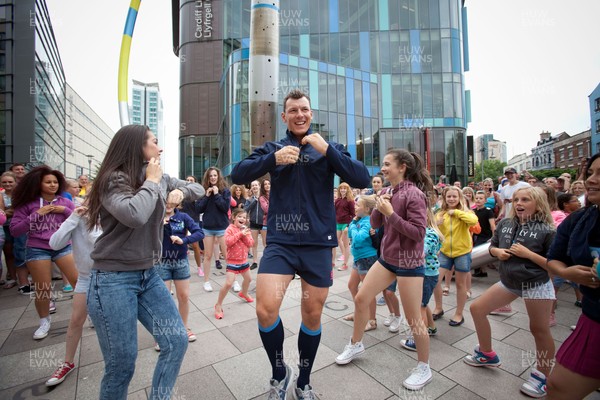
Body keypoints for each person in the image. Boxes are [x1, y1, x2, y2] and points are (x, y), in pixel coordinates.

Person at [231, 89, 370, 399]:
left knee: (312, 314)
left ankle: (304, 381)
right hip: (280, 241)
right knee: (265, 309)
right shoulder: (274, 147)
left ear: (311, 113)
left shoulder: (328, 147)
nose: (299, 115)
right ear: (284, 117)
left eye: (304, 109)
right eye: (292, 110)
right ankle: (280, 372)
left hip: (318, 244)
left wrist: (329, 151)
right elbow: (236, 174)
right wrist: (272, 159)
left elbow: (361, 177)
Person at [85, 125, 204, 400]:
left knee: (176, 341)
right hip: (113, 279)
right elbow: (135, 214)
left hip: (148, 274)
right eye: (154, 142)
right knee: (121, 366)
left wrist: (181, 193)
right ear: (137, 146)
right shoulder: (112, 180)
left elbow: (197, 188)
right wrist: (152, 182)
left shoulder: (160, 177)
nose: (160, 148)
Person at [335, 149, 434, 391]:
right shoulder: (388, 191)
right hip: (387, 259)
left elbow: (418, 233)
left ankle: (424, 367)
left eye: (388, 164)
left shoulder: (415, 194)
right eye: (383, 164)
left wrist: (391, 213)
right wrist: (380, 206)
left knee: (414, 319)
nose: (383, 168)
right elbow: (377, 224)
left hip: (410, 263)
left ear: (402, 168)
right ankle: (356, 343)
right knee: (361, 298)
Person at [465, 187, 556, 398]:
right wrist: (497, 252)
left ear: (539, 203)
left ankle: (542, 376)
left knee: (539, 329)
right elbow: (492, 247)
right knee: (477, 309)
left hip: (536, 284)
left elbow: (554, 266)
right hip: (509, 281)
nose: (519, 203)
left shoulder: (548, 230)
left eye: (525, 199)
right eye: (516, 199)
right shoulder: (505, 223)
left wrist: (528, 254)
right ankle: (486, 354)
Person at [546, 153, 600, 400]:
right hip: (594, 317)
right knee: (558, 385)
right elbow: (553, 257)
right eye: (590, 173)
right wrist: (566, 272)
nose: (592, 180)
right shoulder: (580, 219)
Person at [10, 166, 78, 339]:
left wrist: (65, 211)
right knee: (43, 289)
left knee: (79, 281)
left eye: (55, 182)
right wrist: (36, 214)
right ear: (38, 184)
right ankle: (44, 321)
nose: (52, 185)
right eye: (48, 182)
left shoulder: (65, 202)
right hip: (37, 248)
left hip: (62, 246)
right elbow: (15, 230)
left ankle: (91, 314)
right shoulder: (28, 204)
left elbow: (79, 221)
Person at [45, 202, 102, 386]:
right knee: (76, 320)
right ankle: (67, 362)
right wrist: (73, 217)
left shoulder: (112, 217)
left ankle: (117, 362)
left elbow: (98, 242)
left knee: (110, 320)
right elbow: (54, 243)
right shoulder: (77, 218)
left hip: (111, 276)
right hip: (86, 277)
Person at [154, 191, 204, 349]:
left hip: (181, 262)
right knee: (163, 300)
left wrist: (184, 240)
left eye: (171, 202)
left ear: (177, 203)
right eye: (165, 202)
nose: (168, 206)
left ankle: (183, 327)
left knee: (184, 296)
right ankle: (163, 333)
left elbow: (199, 232)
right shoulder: (154, 218)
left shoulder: (183, 217)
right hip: (162, 263)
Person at [399, 206, 443, 351]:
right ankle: (431, 327)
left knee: (420, 308)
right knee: (424, 304)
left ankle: (418, 341)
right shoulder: (430, 232)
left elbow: (421, 252)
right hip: (427, 274)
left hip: (426, 275)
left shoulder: (429, 234)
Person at [434, 186, 478, 325]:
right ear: (444, 198)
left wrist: (457, 213)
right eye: (449, 196)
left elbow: (473, 221)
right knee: (435, 280)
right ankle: (438, 307)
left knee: (460, 284)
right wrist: (437, 224)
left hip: (462, 253)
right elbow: (433, 231)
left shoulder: (466, 212)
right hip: (445, 252)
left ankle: (459, 314)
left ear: (460, 198)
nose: (452, 199)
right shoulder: (440, 213)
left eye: (454, 196)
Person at [342, 194, 378, 331]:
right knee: (352, 286)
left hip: (367, 259)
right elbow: (350, 235)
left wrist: (353, 225)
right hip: (358, 259)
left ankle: (372, 320)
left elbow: (356, 238)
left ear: (367, 208)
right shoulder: (359, 220)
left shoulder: (368, 222)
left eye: (358, 205)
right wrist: (354, 224)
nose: (355, 207)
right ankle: (359, 312)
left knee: (367, 291)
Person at [214, 208, 255, 319]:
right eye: (240, 216)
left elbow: (251, 243)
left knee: (249, 279)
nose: (242, 219)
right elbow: (228, 242)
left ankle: (244, 293)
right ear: (233, 217)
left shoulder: (246, 229)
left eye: (244, 217)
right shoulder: (230, 229)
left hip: (244, 261)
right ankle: (218, 305)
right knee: (228, 283)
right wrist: (240, 234)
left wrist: (245, 234)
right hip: (232, 261)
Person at [197, 167, 231, 292]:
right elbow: (198, 209)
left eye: (215, 175)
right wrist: (207, 196)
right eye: (210, 176)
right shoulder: (203, 191)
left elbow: (224, 207)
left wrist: (216, 194)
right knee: (207, 255)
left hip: (222, 227)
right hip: (208, 228)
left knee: (228, 256)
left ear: (218, 176)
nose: (213, 178)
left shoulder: (225, 191)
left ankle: (233, 280)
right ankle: (206, 281)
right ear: (208, 177)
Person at [471, 190, 496, 278]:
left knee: (478, 251)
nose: (478, 200)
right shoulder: (473, 211)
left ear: (485, 200)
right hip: (475, 235)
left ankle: (481, 270)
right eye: (477, 198)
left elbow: (492, 225)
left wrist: (493, 237)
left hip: (485, 235)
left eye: (481, 198)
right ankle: (479, 270)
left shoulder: (488, 211)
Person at [0, 172, 18, 289]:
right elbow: (2, 213)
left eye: (10, 181)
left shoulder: (20, 194)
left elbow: (19, 210)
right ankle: (12, 277)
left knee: (22, 251)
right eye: (4, 182)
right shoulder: (1, 195)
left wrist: (8, 210)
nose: (7, 184)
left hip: (19, 226)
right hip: (5, 228)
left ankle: (26, 276)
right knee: (8, 253)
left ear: (15, 182)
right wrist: (9, 211)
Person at [333, 182, 355, 271]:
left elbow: (353, 214)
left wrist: (349, 225)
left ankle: (345, 264)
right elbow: (334, 212)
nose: (343, 190)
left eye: (345, 188)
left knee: (346, 245)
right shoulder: (337, 200)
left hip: (346, 223)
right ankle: (332, 262)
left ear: (347, 190)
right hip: (338, 223)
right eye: (341, 188)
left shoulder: (350, 201)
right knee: (335, 243)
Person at [245, 180, 265, 270]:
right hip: (253, 223)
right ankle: (254, 261)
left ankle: (266, 261)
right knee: (254, 243)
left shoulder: (265, 198)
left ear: (259, 186)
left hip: (264, 223)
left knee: (265, 243)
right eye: (253, 186)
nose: (254, 187)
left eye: (256, 185)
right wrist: (254, 201)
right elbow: (246, 210)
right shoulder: (249, 199)